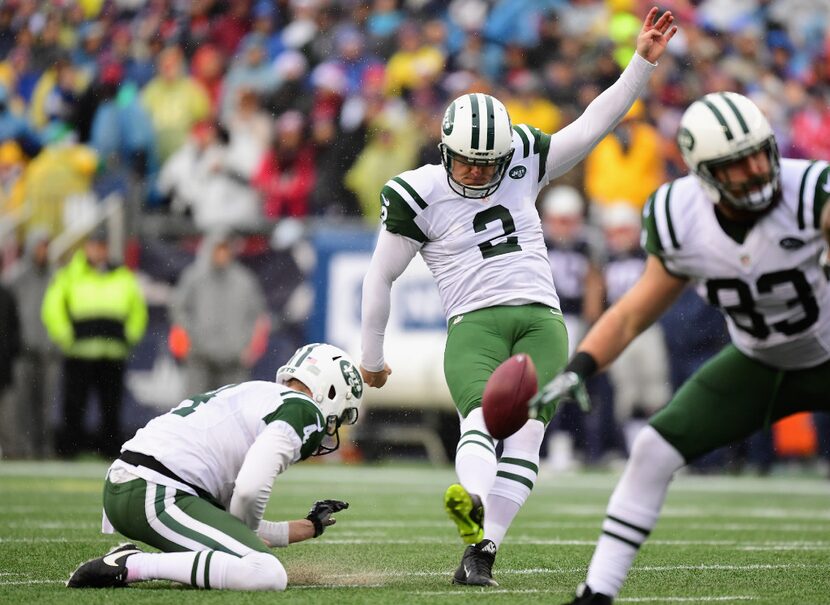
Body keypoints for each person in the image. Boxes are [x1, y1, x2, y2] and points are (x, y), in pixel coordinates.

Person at [359, 7, 676, 588]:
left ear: (505, 153)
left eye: (488, 164)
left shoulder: (523, 158)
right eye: (467, 162)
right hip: (476, 322)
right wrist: (371, 357)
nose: (478, 174)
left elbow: (590, 125)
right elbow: (379, 276)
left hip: (539, 319)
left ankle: (481, 550)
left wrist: (639, 66)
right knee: (480, 420)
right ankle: (475, 514)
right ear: (443, 147)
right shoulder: (419, 192)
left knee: (526, 431)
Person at [531, 92, 830, 605]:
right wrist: (579, 367)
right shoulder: (679, 216)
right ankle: (595, 594)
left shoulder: (811, 191)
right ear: (704, 174)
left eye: (761, 153)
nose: (757, 170)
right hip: (758, 361)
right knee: (651, 449)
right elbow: (630, 313)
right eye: (737, 165)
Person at [66, 343, 363, 591]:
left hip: (136, 483)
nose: (334, 425)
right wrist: (245, 541)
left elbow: (225, 519)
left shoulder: (257, 395)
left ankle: (131, 562)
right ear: (330, 392)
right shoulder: (304, 409)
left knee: (242, 559)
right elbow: (248, 492)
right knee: (266, 573)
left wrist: (309, 527)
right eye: (341, 415)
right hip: (157, 490)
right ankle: (132, 564)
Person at [42, 228, 148, 458]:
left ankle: (109, 451)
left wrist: (129, 335)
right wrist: (66, 335)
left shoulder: (122, 276)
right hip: (79, 352)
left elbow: (138, 310)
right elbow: (52, 307)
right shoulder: (69, 275)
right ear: (87, 248)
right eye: (95, 246)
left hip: (112, 352)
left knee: (111, 406)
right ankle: (69, 451)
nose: (99, 251)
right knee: (74, 405)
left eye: (102, 246)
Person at [168, 232, 270, 396]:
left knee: (233, 411)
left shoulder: (244, 281)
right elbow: (178, 309)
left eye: (225, 250)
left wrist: (249, 349)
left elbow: (259, 317)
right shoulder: (194, 278)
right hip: (199, 359)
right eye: (217, 249)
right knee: (195, 410)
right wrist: (188, 340)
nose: (221, 254)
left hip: (234, 361)